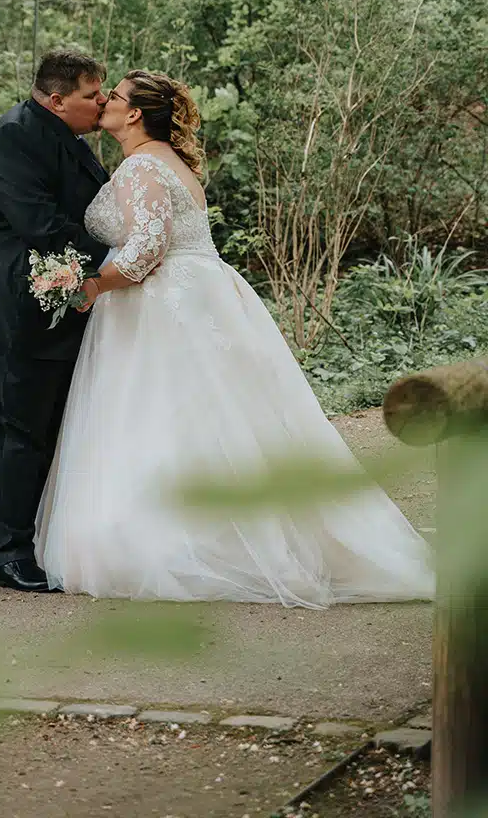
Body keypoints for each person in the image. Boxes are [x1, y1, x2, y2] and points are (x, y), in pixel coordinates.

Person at [35, 70, 434, 606]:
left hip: (159, 301)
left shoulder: (142, 166)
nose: (105, 101)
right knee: (215, 416)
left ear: (134, 115)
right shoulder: (170, 164)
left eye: (116, 97)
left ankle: (187, 540)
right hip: (200, 293)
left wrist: (85, 285)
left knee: (161, 414)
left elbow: (146, 250)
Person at [0, 50, 110, 592]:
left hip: (47, 310)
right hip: (6, 311)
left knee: (40, 431)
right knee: (14, 433)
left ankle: (37, 540)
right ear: (57, 100)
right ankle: (9, 556)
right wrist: (123, 256)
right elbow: (41, 224)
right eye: (92, 95)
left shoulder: (65, 137)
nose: (102, 102)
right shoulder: (13, 136)